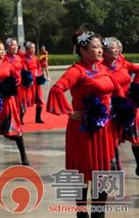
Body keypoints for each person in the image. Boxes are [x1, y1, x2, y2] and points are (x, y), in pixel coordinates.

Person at [46, 31, 124, 218]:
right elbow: (57, 89)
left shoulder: (102, 69)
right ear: (82, 50)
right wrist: (72, 113)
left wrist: (121, 109)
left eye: (100, 47)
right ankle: (81, 214)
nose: (100, 50)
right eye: (95, 47)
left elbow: (118, 89)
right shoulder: (77, 70)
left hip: (105, 130)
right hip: (84, 130)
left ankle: (98, 215)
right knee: (83, 172)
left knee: (103, 172)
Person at [101, 37, 139, 176]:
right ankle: (115, 166)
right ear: (104, 51)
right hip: (111, 107)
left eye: (118, 47)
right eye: (113, 48)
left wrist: (136, 89)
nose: (117, 50)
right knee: (113, 138)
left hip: (128, 105)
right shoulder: (99, 66)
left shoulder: (122, 62)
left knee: (137, 134)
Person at [0, 40, 28, 165]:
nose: (3, 52)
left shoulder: (8, 65)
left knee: (15, 130)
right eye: (0, 49)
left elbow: (17, 77)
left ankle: (23, 155)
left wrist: (12, 85)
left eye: (4, 49)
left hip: (8, 102)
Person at [5, 38, 27, 124]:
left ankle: (20, 118)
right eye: (13, 45)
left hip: (20, 86)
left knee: (21, 102)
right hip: (11, 86)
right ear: (7, 47)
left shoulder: (19, 57)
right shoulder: (5, 58)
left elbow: (24, 68)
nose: (15, 47)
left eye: (16, 45)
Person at [23, 41, 45, 123]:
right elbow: (24, 70)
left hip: (36, 83)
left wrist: (40, 75)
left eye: (34, 48)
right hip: (29, 83)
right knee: (26, 100)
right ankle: (20, 118)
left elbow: (39, 68)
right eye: (31, 48)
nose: (33, 49)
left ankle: (38, 118)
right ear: (27, 49)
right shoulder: (24, 59)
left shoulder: (35, 58)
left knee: (40, 99)